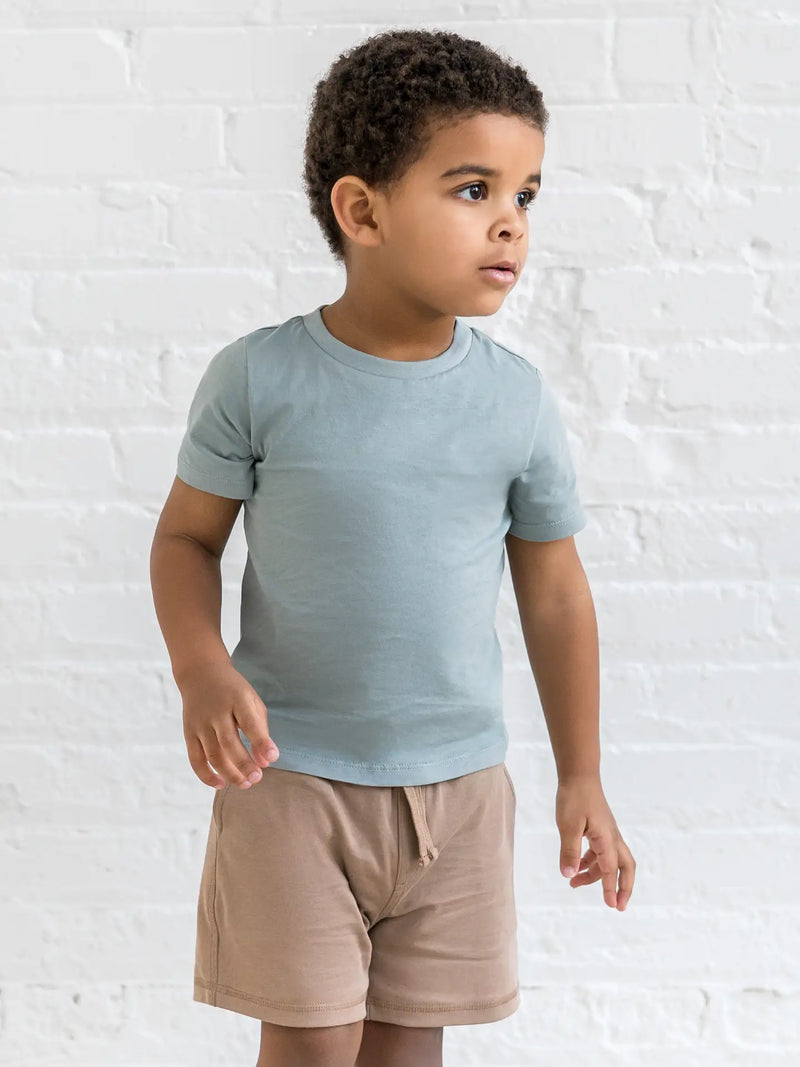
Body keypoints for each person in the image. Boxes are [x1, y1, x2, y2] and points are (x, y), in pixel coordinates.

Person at [150, 26, 636, 1067]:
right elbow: (187, 537)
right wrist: (200, 666)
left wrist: (581, 774)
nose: (510, 222)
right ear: (362, 211)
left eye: (526, 194)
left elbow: (555, 593)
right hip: (291, 783)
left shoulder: (514, 400)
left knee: (409, 1051)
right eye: (473, 189)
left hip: (459, 794)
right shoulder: (259, 380)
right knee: (312, 1047)